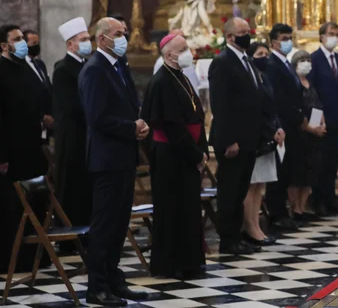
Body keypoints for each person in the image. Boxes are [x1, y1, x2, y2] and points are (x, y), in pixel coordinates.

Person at [79, 17, 150, 306]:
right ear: (102, 39)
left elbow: (128, 105)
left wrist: (139, 124)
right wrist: (130, 128)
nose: (123, 38)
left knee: (120, 223)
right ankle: (96, 287)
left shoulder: (118, 66)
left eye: (124, 32)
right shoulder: (95, 70)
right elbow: (97, 117)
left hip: (122, 156)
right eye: (117, 34)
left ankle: (113, 279)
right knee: (106, 224)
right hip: (106, 158)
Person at [142, 33, 208, 278]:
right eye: (183, 49)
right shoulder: (161, 82)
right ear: (170, 55)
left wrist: (202, 149)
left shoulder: (181, 77)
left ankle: (190, 261)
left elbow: (196, 116)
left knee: (189, 209)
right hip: (171, 155)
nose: (188, 52)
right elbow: (171, 126)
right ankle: (171, 264)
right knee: (173, 210)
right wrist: (195, 154)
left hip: (186, 153)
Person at [208, 18, 263, 255]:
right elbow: (220, 105)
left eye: (248, 32)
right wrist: (229, 139)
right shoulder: (222, 62)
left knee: (240, 190)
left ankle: (237, 234)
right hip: (233, 141)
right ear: (229, 37)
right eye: (242, 33)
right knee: (229, 191)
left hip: (249, 138)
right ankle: (227, 240)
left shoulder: (245, 60)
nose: (247, 36)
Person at [0, 24, 51, 272]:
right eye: (17, 39)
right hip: (11, 152)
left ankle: (35, 257)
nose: (23, 42)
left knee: (36, 203)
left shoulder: (25, 67)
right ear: (3, 45)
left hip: (32, 146)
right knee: (12, 208)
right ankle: (12, 260)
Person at [263, 24, 307, 231]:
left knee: (287, 169)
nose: (287, 41)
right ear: (273, 42)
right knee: (279, 172)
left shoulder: (286, 63)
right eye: (283, 38)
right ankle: (276, 213)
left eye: (290, 37)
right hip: (282, 124)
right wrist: (294, 119)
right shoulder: (272, 64)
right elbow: (278, 98)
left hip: (291, 125)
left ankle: (283, 210)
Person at [52, 18, 94, 237]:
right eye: (83, 39)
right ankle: (69, 234)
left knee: (85, 186)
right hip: (72, 135)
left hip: (87, 134)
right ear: (70, 44)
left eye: (88, 38)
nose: (88, 42)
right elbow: (71, 105)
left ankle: (87, 230)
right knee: (72, 185)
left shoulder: (86, 65)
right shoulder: (63, 69)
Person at [308, 22, 338, 216]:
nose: (333, 37)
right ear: (321, 36)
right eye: (330, 34)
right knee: (320, 162)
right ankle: (317, 201)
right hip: (321, 119)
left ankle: (331, 199)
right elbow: (312, 91)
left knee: (332, 162)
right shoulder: (314, 59)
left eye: (336, 34)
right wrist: (317, 118)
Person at [244, 42, 284, 245]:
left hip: (269, 136)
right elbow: (255, 110)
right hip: (257, 137)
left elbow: (272, 107)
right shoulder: (250, 79)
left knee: (260, 185)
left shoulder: (265, 77)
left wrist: (279, 127)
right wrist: (270, 130)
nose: (265, 57)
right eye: (260, 54)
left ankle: (257, 226)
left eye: (267, 53)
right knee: (251, 185)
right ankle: (250, 227)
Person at [289, 50, 325, 220]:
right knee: (296, 174)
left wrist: (322, 123)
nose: (306, 63)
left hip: (314, 135)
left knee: (310, 173)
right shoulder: (293, 83)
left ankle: (303, 207)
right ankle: (295, 208)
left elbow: (318, 105)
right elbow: (295, 110)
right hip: (299, 133)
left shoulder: (310, 83)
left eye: (308, 60)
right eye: (302, 60)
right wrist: (309, 128)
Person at [23, 29, 54, 142]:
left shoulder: (40, 64)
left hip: (48, 119)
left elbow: (48, 88)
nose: (37, 46)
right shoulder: (21, 66)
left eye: (38, 43)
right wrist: (42, 116)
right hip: (34, 119)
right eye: (33, 43)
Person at [153, 29, 201, 95]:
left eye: (183, 37)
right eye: (179, 38)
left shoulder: (186, 59)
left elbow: (194, 83)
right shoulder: (161, 62)